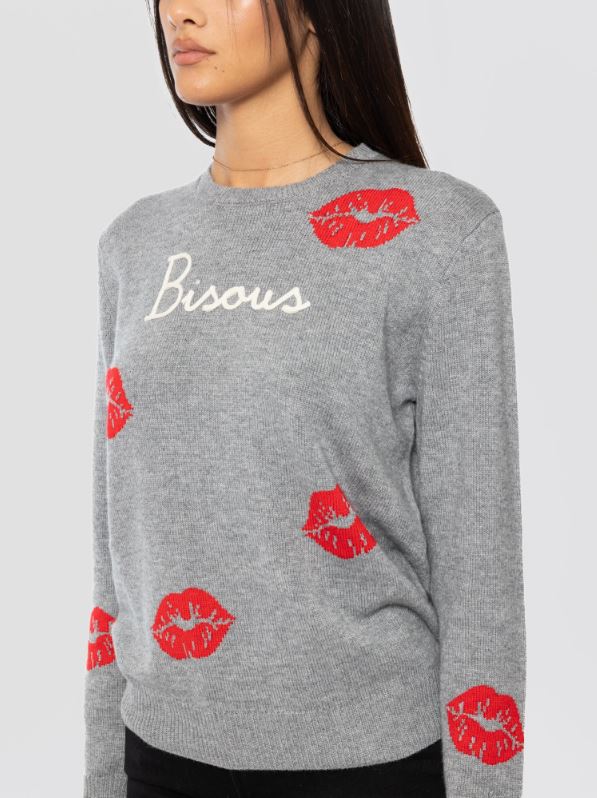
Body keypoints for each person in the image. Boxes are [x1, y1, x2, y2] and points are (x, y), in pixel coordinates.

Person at [83, 2, 527, 797]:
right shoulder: (137, 243)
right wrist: (101, 772)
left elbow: (480, 563)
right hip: (159, 753)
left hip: (367, 766)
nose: (181, 12)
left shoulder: (438, 232)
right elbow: (116, 542)